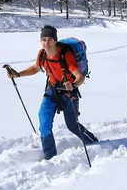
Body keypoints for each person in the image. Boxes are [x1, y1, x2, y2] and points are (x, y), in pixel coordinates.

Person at [6, 25, 98, 160]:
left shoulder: (65, 54)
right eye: (43, 40)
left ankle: (93, 141)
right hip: (52, 90)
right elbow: (36, 68)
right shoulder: (42, 54)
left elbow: (79, 76)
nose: (46, 43)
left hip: (68, 91)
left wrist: (73, 85)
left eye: (49, 40)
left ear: (55, 40)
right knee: (44, 121)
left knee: (72, 125)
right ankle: (50, 157)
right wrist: (18, 74)